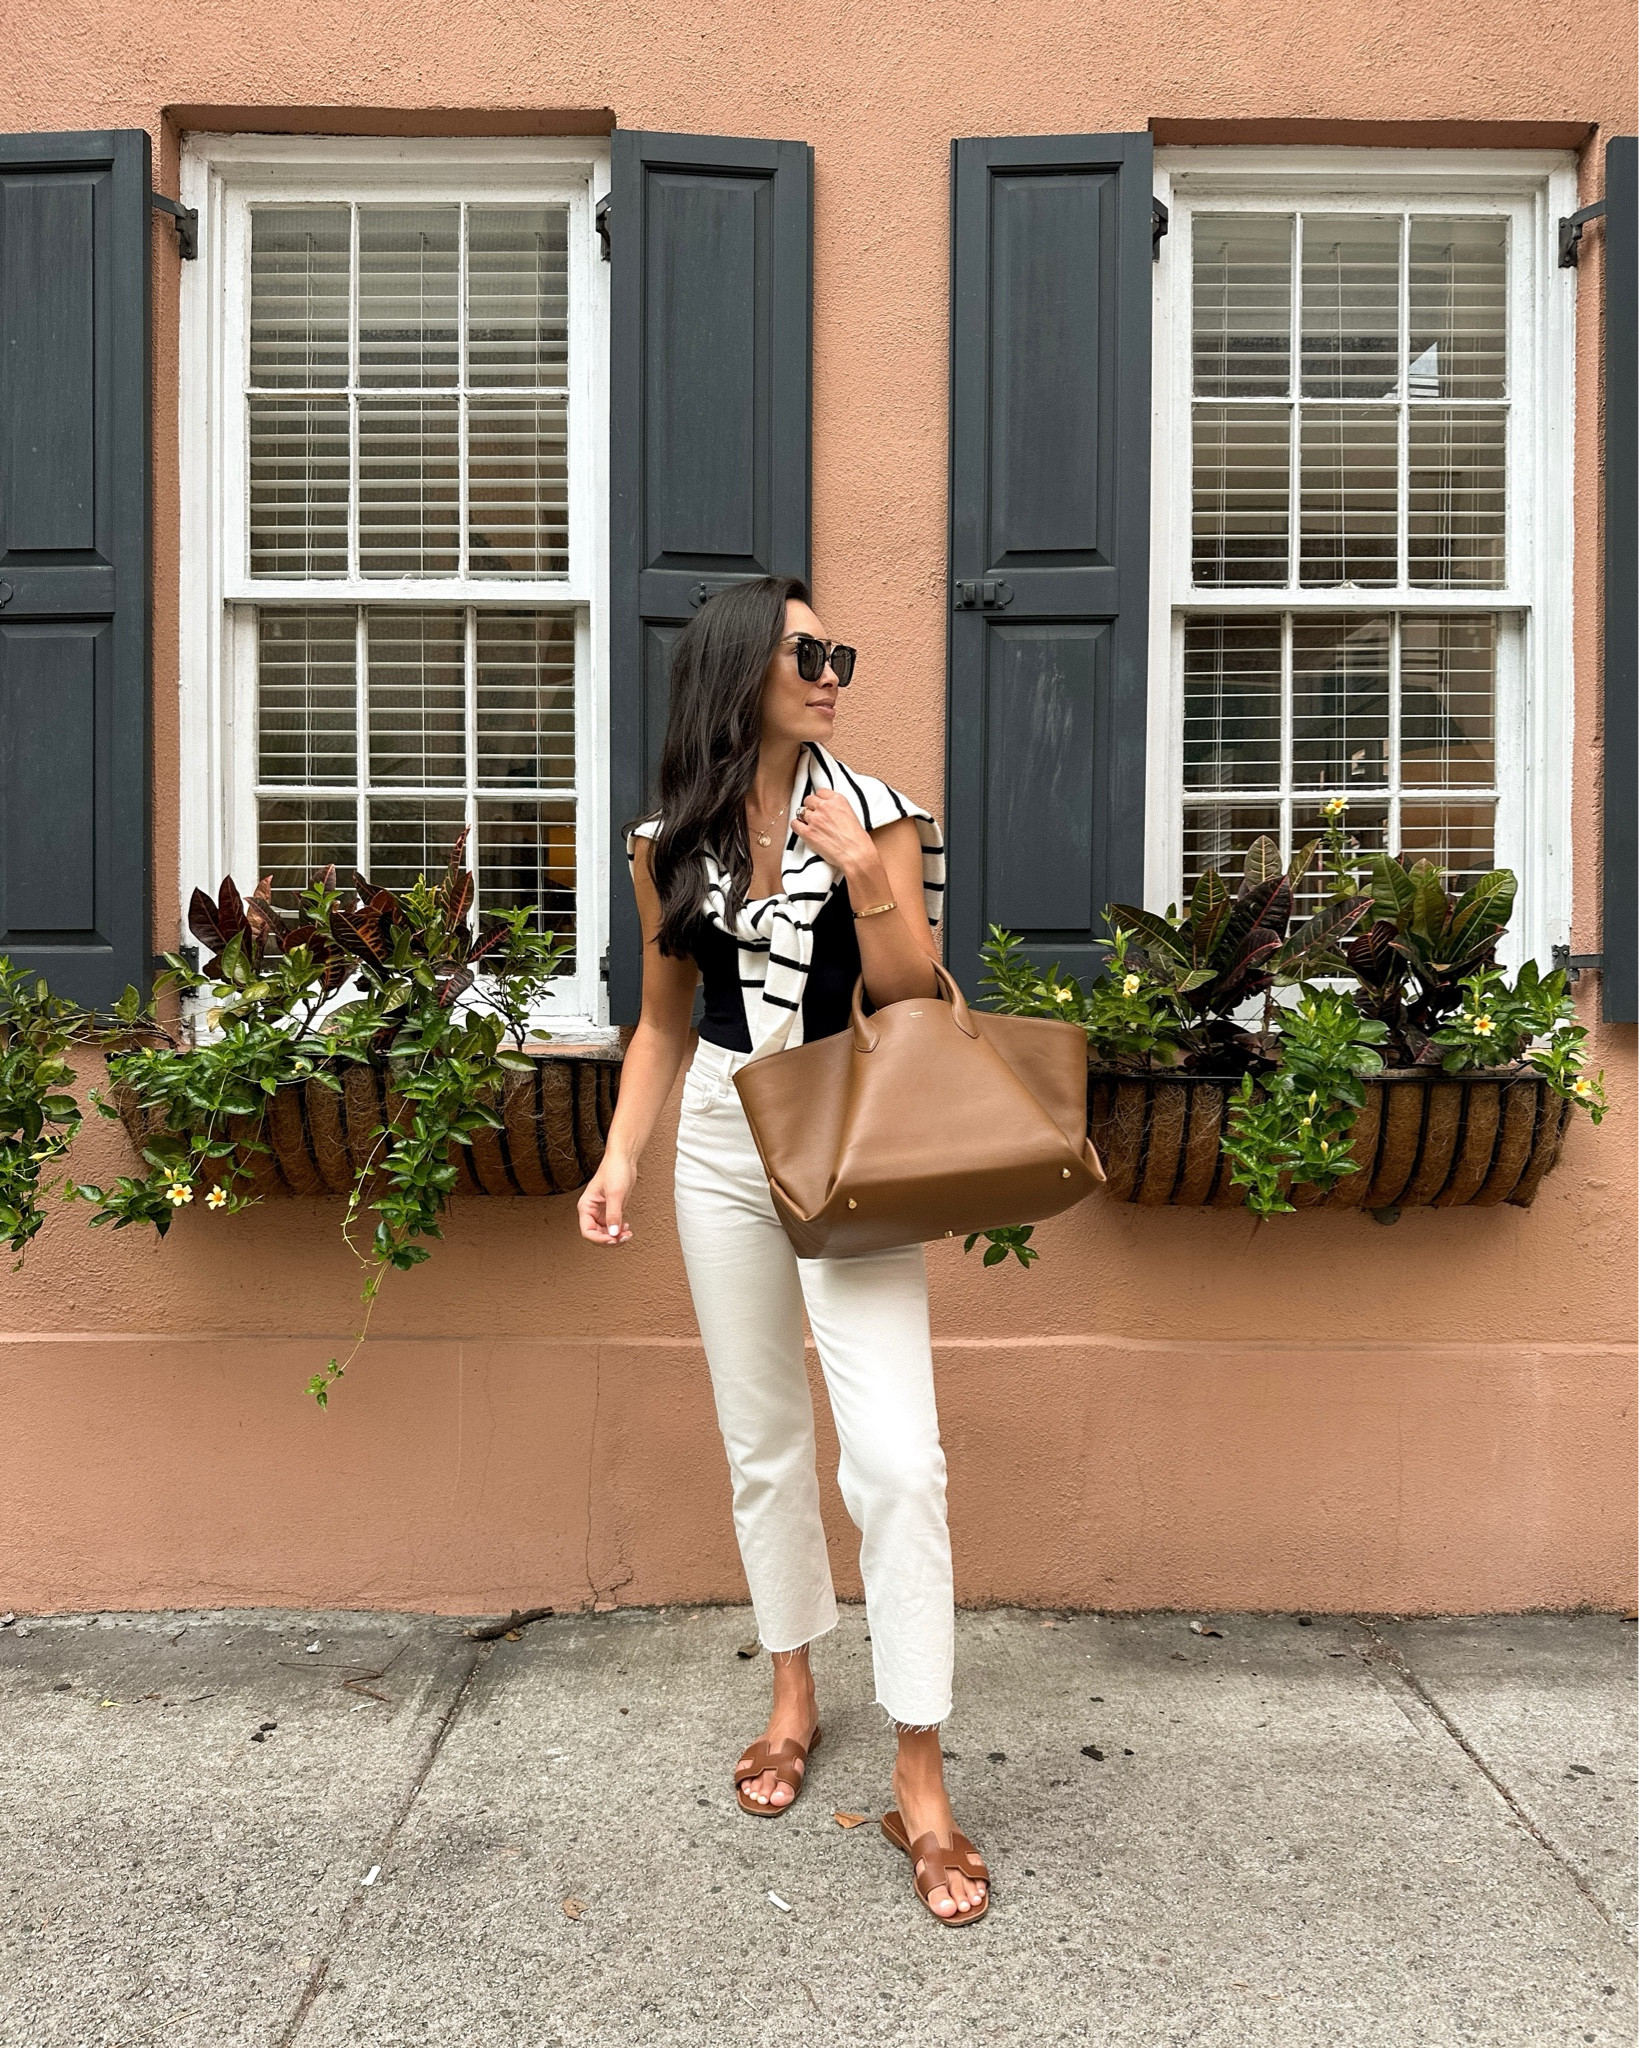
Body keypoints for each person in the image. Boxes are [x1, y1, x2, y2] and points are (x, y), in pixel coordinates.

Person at [577, 577, 990, 1926]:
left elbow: (917, 1001)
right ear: (740, 667)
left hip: (846, 1130)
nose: (832, 671)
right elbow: (661, 1021)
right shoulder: (669, 842)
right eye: (807, 652)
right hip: (712, 1132)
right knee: (763, 1437)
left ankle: (919, 1767)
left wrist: (870, 880)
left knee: (897, 1461)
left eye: (838, 653)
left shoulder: (881, 816)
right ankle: (794, 1691)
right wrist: (621, 1154)